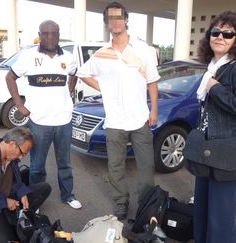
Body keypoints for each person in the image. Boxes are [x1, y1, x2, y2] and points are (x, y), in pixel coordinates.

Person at [77, 1, 160, 220]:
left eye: (118, 17)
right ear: (107, 23)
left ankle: (146, 204)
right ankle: (121, 202)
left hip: (140, 118)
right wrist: (104, 88)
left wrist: (154, 111)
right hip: (114, 120)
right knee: (115, 166)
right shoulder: (102, 53)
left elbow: (152, 82)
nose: (115, 22)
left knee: (146, 165)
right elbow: (83, 73)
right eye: (110, 18)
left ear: (126, 20)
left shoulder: (143, 50)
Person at [193, 11, 236, 242]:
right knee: (202, 211)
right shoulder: (212, 68)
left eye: (228, 33)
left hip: (226, 155)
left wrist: (215, 89)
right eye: (216, 32)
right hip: (207, 150)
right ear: (209, 37)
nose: (220, 37)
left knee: (220, 218)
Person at [5, 20, 82, 209]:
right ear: (40, 35)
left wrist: (69, 92)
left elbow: (74, 73)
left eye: (54, 33)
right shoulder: (28, 56)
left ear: (58, 35)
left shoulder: (69, 57)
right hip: (39, 121)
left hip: (64, 120)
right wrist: (19, 104)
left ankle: (68, 196)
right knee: (37, 166)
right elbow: (10, 77)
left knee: (64, 164)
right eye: (45, 33)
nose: (50, 37)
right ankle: (34, 200)